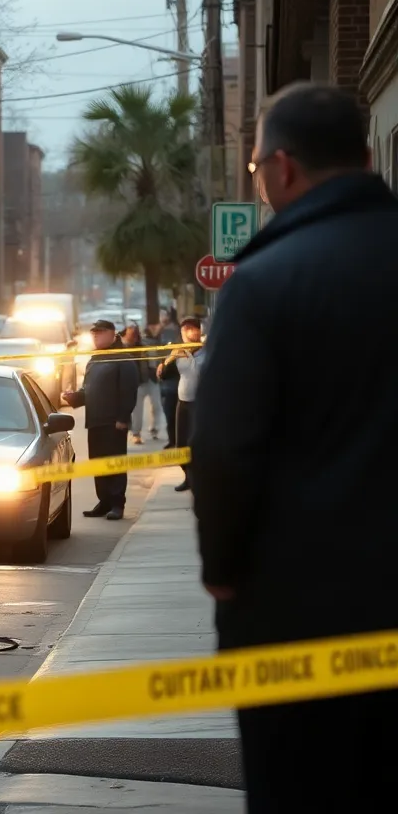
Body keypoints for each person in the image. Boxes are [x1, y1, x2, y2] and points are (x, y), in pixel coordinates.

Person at [190, 82, 398, 813]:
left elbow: (222, 447)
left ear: (280, 168)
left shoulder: (265, 282)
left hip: (297, 611)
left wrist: (223, 568)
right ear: (367, 157)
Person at [61, 320, 138, 521]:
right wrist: (74, 397)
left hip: (113, 422)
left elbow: (129, 390)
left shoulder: (123, 359)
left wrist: (123, 417)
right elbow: (88, 390)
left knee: (114, 462)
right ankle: (104, 501)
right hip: (95, 420)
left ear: (113, 334)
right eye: (94, 333)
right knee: (98, 463)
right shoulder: (95, 359)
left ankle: (116, 503)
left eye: (100, 333)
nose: (95, 336)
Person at [157, 317, 203, 492]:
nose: (187, 333)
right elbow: (166, 374)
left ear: (199, 331)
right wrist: (165, 364)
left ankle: (198, 478)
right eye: (184, 330)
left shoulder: (206, 350)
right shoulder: (178, 351)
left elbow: (199, 372)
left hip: (200, 403)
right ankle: (188, 477)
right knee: (181, 444)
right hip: (183, 403)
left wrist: (190, 355)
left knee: (197, 443)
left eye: (191, 329)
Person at [125, 323, 162, 444]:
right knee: (137, 411)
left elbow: (154, 361)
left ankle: (154, 429)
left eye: (135, 335)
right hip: (137, 384)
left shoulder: (145, 346)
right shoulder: (124, 349)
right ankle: (136, 433)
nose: (133, 338)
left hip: (151, 380)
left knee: (156, 405)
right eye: (131, 335)